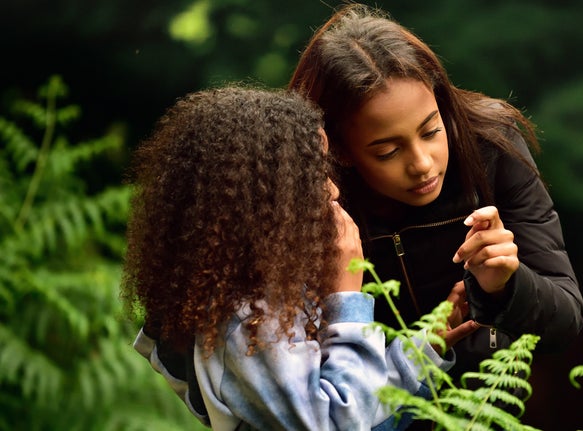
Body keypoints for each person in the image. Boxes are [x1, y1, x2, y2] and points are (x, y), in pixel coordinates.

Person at [288, 2, 583, 398]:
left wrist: (506, 285)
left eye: (430, 131)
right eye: (387, 152)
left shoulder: (492, 146)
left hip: (490, 408)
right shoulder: (310, 194)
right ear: (339, 150)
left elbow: (566, 321)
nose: (422, 164)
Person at [121, 86, 454, 431]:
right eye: (312, 178)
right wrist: (347, 299)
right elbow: (339, 424)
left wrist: (424, 352)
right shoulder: (246, 321)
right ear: (263, 201)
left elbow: (357, 403)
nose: (334, 191)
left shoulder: (264, 297)